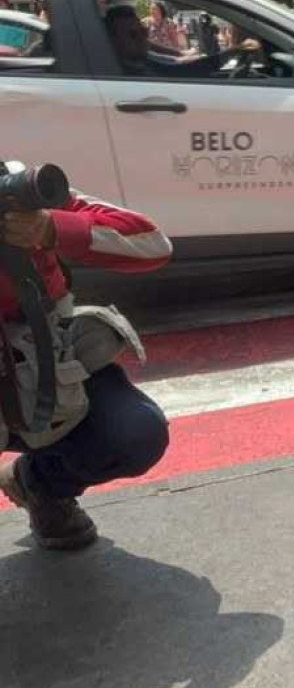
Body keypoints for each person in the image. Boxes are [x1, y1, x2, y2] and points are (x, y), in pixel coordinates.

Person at [0, 174, 172, 549]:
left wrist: (49, 228)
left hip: (50, 367)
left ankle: (40, 484)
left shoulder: (16, 195)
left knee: (135, 433)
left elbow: (153, 244)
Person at [104, 4, 260, 79]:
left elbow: (177, 60)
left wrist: (190, 54)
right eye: (133, 35)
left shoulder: (143, 58)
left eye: (144, 32)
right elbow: (187, 69)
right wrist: (236, 50)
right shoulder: (136, 68)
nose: (143, 38)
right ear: (113, 40)